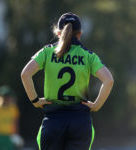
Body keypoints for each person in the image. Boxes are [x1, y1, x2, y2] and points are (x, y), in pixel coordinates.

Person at [21, 12, 114, 150]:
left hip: (53, 120)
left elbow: (25, 74)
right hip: (80, 121)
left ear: (58, 33)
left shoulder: (47, 52)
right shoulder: (88, 55)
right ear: (80, 34)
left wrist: (35, 100)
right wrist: (96, 105)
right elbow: (108, 80)